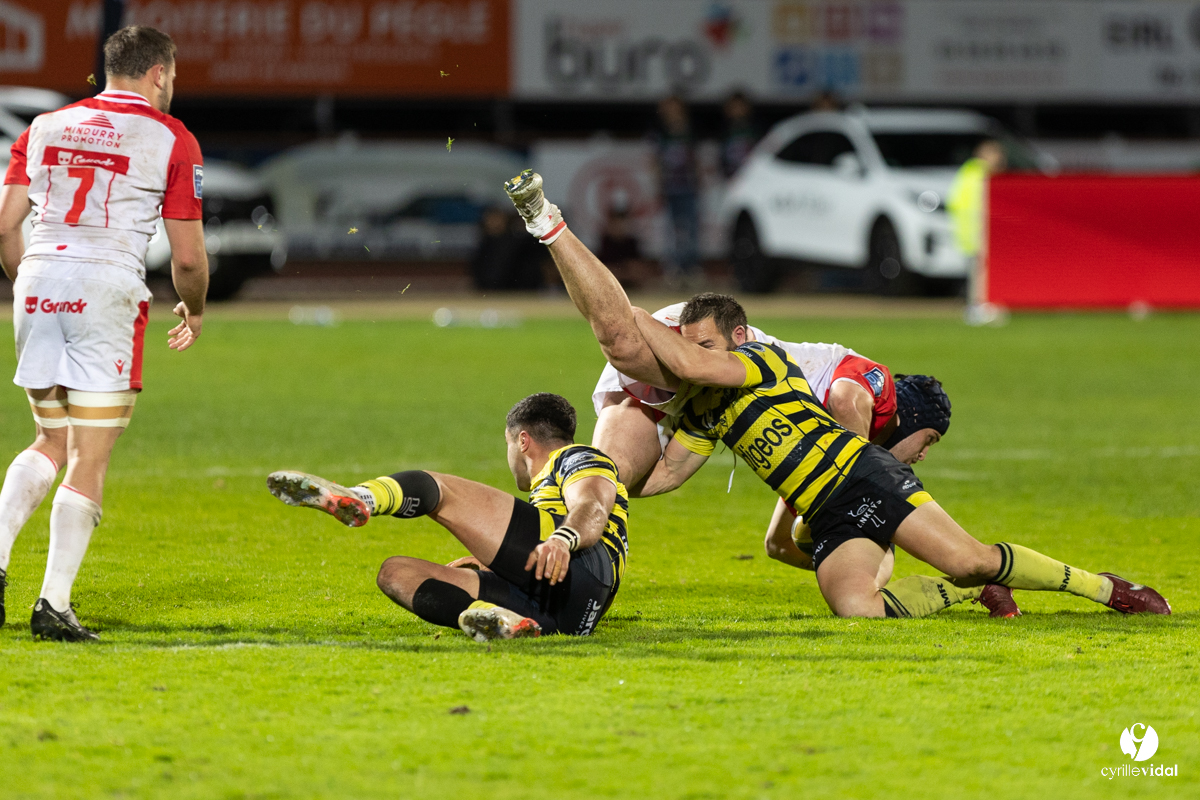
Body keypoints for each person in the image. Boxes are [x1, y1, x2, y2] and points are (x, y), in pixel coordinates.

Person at [503, 170, 1171, 620]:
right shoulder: (705, 405)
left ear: (737, 339)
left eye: (707, 345)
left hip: (863, 477)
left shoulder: (755, 362)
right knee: (859, 608)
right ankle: (968, 596)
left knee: (971, 558)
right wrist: (605, 486)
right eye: (696, 344)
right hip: (828, 506)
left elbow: (680, 359)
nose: (701, 356)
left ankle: (1107, 589)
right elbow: (668, 474)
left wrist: (633, 316)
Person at [0, 26, 208, 641]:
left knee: (49, 438)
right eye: (172, 76)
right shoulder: (171, 136)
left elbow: (6, 226)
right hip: (105, 289)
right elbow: (188, 257)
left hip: (38, 280)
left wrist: (31, 283)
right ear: (159, 73)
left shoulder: (44, 126)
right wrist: (195, 309)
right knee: (89, 455)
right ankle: (53, 605)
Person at [266, 393, 629, 642]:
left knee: (439, 489)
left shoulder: (576, 456)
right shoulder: (548, 490)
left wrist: (562, 539)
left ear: (521, 441)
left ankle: (361, 497)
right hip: (565, 618)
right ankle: (497, 619)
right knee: (396, 573)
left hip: (580, 566)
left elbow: (593, 505)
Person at [947, 139, 1006, 320]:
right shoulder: (980, 174)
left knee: (979, 272)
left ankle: (980, 306)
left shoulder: (969, 171)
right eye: (995, 154)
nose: (999, 158)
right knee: (980, 273)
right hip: (977, 231)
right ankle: (978, 308)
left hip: (972, 231)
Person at [652, 96, 701, 287]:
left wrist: (698, 181)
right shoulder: (660, 133)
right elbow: (656, 162)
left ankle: (692, 267)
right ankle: (673, 269)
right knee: (670, 231)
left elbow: (696, 158)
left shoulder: (690, 131)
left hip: (688, 186)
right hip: (669, 187)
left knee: (691, 228)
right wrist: (658, 186)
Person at [720, 91, 758, 179]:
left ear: (747, 108)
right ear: (727, 109)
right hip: (728, 177)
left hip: (750, 177)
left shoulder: (755, 132)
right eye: (734, 107)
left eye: (740, 106)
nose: (737, 110)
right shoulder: (722, 133)